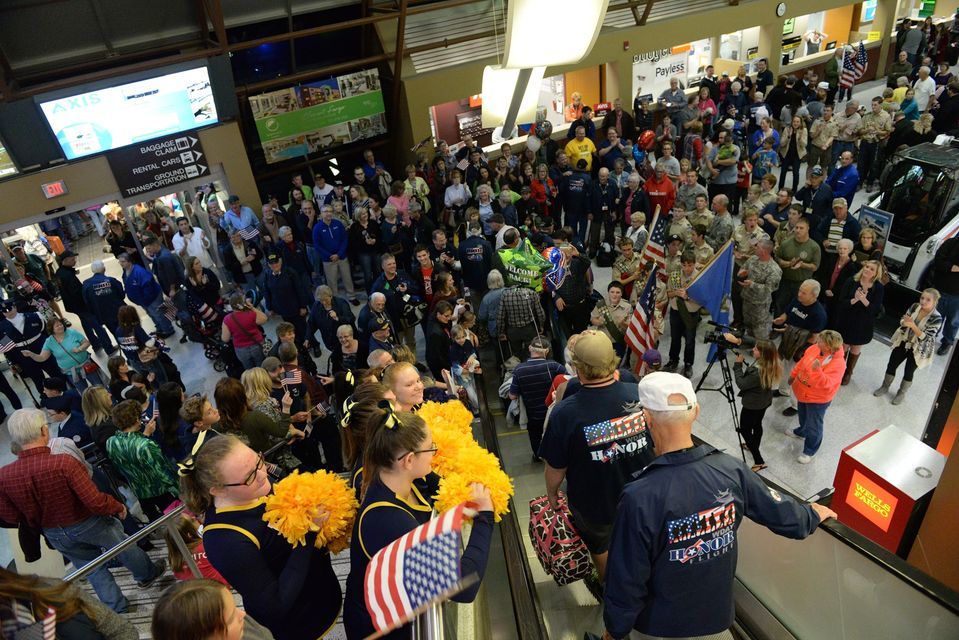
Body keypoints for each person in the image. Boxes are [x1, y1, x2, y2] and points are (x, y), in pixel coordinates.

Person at [601, 372, 835, 640]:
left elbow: (626, 578)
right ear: (696, 411)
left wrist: (614, 631)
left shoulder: (639, 496)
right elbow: (783, 515)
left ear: (646, 418)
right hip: (716, 620)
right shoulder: (732, 470)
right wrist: (811, 514)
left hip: (659, 626)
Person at [343, 405, 494, 639]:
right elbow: (464, 587)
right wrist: (485, 517)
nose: (435, 453)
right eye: (431, 448)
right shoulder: (387, 520)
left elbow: (444, 486)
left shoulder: (402, 478)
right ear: (409, 460)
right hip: (380, 629)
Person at [0, 409, 165, 613]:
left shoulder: (4, 476)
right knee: (123, 547)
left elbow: (9, 516)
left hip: (54, 533)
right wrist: (118, 506)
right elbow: (94, 500)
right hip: (88, 522)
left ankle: (118, 607)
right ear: (43, 431)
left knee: (92, 567)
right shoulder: (63, 463)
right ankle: (146, 575)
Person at [178, 434, 340, 640]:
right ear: (218, 490)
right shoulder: (225, 540)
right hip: (298, 622)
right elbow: (274, 605)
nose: (263, 475)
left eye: (259, 461)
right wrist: (309, 534)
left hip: (320, 593)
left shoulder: (256, 483)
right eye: (250, 477)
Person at [538, 331, 655, 580]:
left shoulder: (564, 413)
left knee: (601, 547)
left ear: (578, 368)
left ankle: (610, 588)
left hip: (595, 504)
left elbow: (556, 467)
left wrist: (552, 493)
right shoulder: (640, 394)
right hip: (644, 496)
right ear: (613, 362)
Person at [0, 566, 137, 639]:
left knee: (93, 567)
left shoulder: (50, 592)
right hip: (63, 531)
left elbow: (121, 630)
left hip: (63, 532)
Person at [106, 399, 179, 519]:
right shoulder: (146, 445)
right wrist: (181, 491)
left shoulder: (111, 442)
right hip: (163, 495)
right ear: (136, 419)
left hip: (142, 496)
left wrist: (145, 435)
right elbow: (164, 474)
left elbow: (131, 458)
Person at [874, 288, 944, 405]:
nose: (923, 301)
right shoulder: (915, 306)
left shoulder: (937, 318)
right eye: (922, 298)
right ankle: (884, 387)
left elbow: (926, 338)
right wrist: (904, 322)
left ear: (935, 302)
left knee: (909, 371)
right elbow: (903, 319)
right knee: (892, 364)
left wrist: (912, 325)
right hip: (904, 340)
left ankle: (901, 393)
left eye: (928, 300)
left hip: (919, 348)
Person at [786, 329, 845, 464]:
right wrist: (793, 375)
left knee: (814, 425)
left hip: (817, 400)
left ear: (829, 346)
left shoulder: (839, 364)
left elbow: (827, 384)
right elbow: (802, 362)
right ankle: (802, 432)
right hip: (803, 393)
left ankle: (809, 451)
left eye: (821, 341)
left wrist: (817, 370)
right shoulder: (814, 348)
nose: (818, 341)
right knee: (803, 416)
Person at [773, 279, 828, 417]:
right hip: (788, 343)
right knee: (785, 367)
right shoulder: (797, 300)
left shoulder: (818, 314)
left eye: (804, 293)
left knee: (797, 376)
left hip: (802, 349)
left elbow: (814, 338)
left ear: (814, 296)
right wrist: (782, 319)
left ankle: (796, 405)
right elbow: (787, 313)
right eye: (800, 290)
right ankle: (783, 391)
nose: (799, 294)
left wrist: (794, 339)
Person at [508, 336, 565, 459]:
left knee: (535, 436)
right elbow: (568, 381)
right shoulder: (555, 366)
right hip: (553, 412)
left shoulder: (519, 369)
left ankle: (538, 455)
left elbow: (512, 395)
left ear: (529, 348)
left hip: (533, 415)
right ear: (547, 351)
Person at [56, 250, 115, 354]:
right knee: (96, 324)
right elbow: (76, 292)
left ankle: (96, 344)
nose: (75, 261)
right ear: (65, 260)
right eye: (72, 259)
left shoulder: (59, 272)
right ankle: (108, 348)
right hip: (80, 305)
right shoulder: (67, 275)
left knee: (86, 324)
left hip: (72, 305)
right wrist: (88, 300)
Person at [117, 252, 175, 339]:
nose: (121, 264)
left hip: (151, 299)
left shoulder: (139, 272)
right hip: (143, 301)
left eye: (123, 261)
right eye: (120, 262)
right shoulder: (126, 272)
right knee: (152, 314)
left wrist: (145, 300)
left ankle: (168, 330)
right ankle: (160, 328)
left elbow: (148, 287)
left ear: (129, 261)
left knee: (158, 314)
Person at [663, 251, 701, 378]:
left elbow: (703, 299)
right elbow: (668, 294)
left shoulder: (699, 277)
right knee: (675, 337)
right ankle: (673, 360)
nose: (687, 268)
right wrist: (676, 293)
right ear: (681, 264)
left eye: (690, 265)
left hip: (691, 313)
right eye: (684, 265)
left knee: (690, 340)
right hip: (676, 311)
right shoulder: (674, 276)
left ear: (695, 264)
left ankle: (688, 364)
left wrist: (687, 297)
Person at [262, 252, 311, 347]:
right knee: (290, 330)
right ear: (268, 265)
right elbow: (267, 292)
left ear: (280, 262)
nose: (274, 265)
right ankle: (298, 346)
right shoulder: (267, 275)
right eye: (272, 263)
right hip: (282, 310)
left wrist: (303, 306)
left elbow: (300, 289)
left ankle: (313, 345)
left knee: (303, 329)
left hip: (296, 308)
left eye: (276, 262)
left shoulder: (290, 272)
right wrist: (269, 308)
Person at [313, 204, 360, 304]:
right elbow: (317, 245)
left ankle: (351, 296)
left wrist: (339, 254)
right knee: (332, 281)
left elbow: (344, 239)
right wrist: (329, 255)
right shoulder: (317, 228)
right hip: (328, 259)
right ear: (321, 214)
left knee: (347, 278)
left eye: (330, 211)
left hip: (341, 256)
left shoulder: (338, 224)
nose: (328, 213)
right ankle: (335, 299)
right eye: (325, 211)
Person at [221, 292, 268, 370]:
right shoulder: (251, 314)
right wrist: (252, 308)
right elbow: (264, 319)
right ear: (243, 303)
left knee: (249, 370)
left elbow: (225, 339)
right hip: (257, 345)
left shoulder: (227, 319)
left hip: (241, 349)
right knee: (261, 368)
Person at [931, 237, 959, 355]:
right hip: (940, 290)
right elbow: (938, 260)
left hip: (957, 295)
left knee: (953, 322)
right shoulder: (951, 243)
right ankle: (930, 337)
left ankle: (947, 342)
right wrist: (951, 267)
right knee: (935, 316)